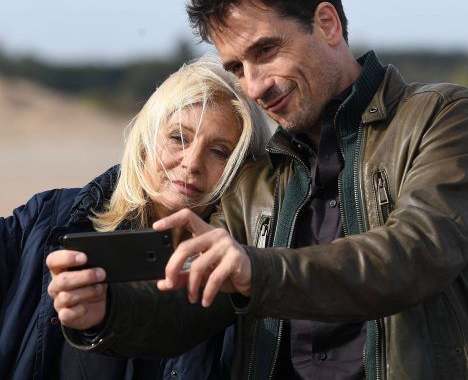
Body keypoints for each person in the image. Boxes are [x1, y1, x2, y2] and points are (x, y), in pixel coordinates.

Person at [47, 0, 468, 379]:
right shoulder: (256, 179)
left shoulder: (443, 116)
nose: (254, 86)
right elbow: (194, 300)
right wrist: (105, 311)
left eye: (265, 50)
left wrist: (257, 270)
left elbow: (417, 253)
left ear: (327, 24)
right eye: (237, 68)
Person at [0, 57, 270, 379]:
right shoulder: (48, 219)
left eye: (219, 151)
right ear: (145, 142)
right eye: (178, 138)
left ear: (242, 170)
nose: (192, 162)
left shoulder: (248, 263)